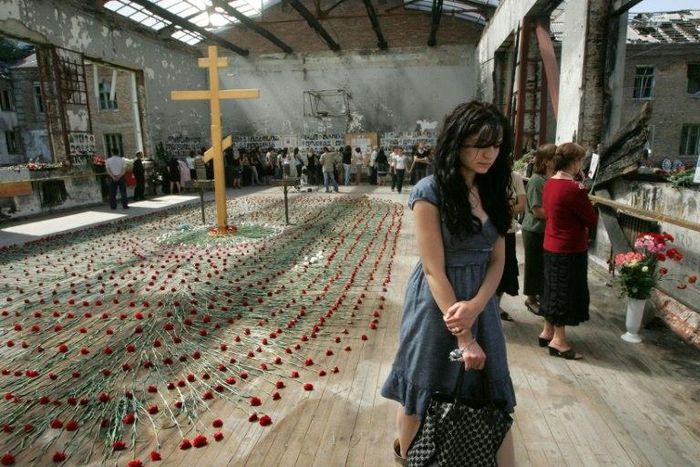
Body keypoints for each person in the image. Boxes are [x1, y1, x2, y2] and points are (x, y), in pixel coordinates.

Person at [381, 101, 516, 465]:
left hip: (479, 302)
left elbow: (498, 260)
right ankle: (410, 456)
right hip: (435, 303)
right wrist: (464, 334)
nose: (488, 153)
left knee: (491, 389)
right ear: (457, 142)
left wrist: (477, 306)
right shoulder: (431, 191)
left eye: (496, 144)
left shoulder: (496, 190)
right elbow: (432, 270)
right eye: (479, 144)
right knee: (422, 388)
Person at [539, 142, 597, 359]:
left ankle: (547, 332)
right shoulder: (575, 188)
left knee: (551, 288)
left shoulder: (549, 184)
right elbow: (591, 219)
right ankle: (559, 341)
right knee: (564, 292)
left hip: (551, 243)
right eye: (580, 160)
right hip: (570, 246)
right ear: (574, 162)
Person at [521, 143, 556, 314]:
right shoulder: (537, 181)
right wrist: (561, 215)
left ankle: (542, 295)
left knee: (544, 266)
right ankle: (531, 298)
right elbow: (537, 211)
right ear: (548, 161)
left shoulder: (551, 179)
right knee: (534, 265)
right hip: (535, 230)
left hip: (546, 229)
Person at [496, 170, 526, 321]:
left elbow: (521, 205)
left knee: (505, 269)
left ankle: (496, 305)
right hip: (487, 230)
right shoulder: (484, 174)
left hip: (507, 230)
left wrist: (502, 210)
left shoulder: (515, 177)